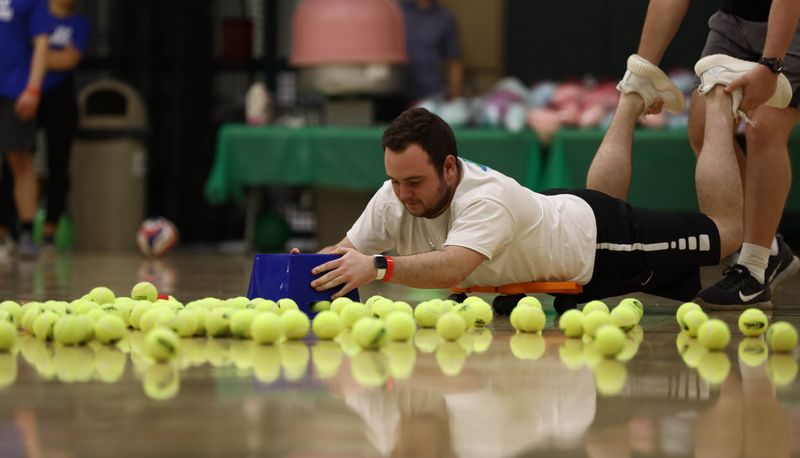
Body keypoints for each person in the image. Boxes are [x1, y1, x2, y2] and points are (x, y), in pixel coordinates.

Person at [304, 57, 764, 310]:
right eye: (395, 181)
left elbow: (450, 269)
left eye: (414, 182)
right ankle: (631, 96)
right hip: (549, 220)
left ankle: (719, 93)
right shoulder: (395, 195)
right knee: (601, 200)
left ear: (448, 167)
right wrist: (305, 271)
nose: (403, 195)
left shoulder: (485, 201)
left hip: (600, 243)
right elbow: (348, 251)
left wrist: (379, 267)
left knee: (725, 234)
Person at [622, 0, 800, 309]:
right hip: (734, 20)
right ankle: (769, 250)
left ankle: (754, 270)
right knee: (706, 128)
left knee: (764, 126)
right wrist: (642, 72)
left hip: (793, 20)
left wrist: (771, 65)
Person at [37, 0, 89, 249]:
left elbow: (69, 60)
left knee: (58, 164)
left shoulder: (78, 23)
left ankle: (50, 233)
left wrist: (37, 54)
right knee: (18, 161)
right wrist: (46, 56)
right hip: (28, 94)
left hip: (62, 97)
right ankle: (11, 229)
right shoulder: (35, 15)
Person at [0, 0, 50, 258]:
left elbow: (42, 44)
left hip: (15, 91)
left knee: (20, 159)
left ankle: (27, 231)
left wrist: (33, 88)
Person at [400, 0, 463, 102]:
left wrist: (454, 99)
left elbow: (454, 61)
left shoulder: (444, 17)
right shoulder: (398, 11)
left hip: (431, 94)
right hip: (397, 92)